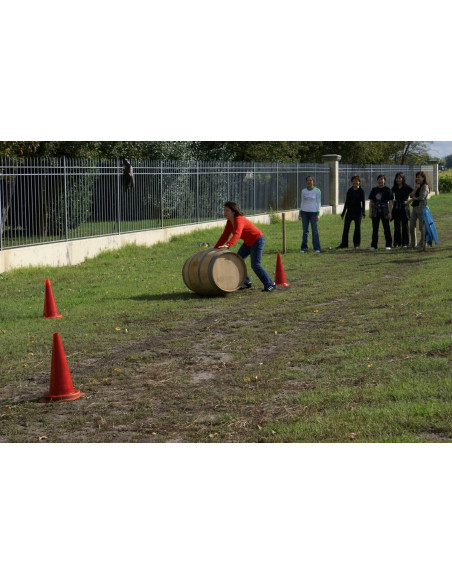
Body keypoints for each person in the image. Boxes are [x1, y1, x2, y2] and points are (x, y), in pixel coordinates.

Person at [214, 201, 276, 292]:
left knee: (255, 265)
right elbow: (224, 236)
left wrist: (228, 244)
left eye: (227, 210)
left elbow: (237, 234)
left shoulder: (239, 219)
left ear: (233, 212)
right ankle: (246, 282)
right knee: (238, 260)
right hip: (248, 242)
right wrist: (215, 248)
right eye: (224, 210)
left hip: (257, 240)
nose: (225, 213)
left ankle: (270, 284)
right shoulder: (229, 222)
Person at [337, 175, 365, 249]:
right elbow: (346, 202)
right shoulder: (349, 190)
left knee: (357, 228)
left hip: (358, 212)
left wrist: (363, 212)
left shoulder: (361, 191)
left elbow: (363, 202)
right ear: (352, 182)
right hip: (349, 212)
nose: (355, 182)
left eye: (357, 180)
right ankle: (344, 244)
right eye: (354, 180)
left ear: (359, 182)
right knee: (346, 228)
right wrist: (343, 213)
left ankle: (356, 244)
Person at [368, 175, 394, 250]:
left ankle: (388, 244)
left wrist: (390, 212)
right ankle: (373, 245)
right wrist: (370, 212)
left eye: (382, 179)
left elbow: (390, 202)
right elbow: (371, 201)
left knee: (386, 228)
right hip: (375, 210)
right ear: (377, 181)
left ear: (384, 181)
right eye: (379, 179)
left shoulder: (388, 190)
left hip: (384, 210)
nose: (380, 181)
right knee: (375, 229)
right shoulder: (374, 189)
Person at [299, 176, 322, 253]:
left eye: (311, 180)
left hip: (313, 213)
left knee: (314, 231)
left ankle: (317, 248)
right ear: (306, 182)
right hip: (304, 213)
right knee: (305, 231)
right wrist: (300, 213)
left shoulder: (317, 191)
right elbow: (302, 202)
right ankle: (304, 247)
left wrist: (318, 214)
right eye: (308, 180)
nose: (309, 182)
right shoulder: (303, 191)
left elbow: (319, 203)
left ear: (313, 182)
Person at [409, 171, 430, 248]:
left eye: (419, 177)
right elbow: (411, 195)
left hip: (421, 208)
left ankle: (422, 243)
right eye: (416, 176)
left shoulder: (425, 186)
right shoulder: (417, 186)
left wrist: (415, 198)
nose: (417, 178)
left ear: (423, 178)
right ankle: (413, 243)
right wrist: (416, 188)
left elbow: (422, 197)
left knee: (421, 227)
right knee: (411, 226)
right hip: (414, 208)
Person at [391, 172, 412, 248]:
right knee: (396, 226)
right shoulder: (394, 188)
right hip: (396, 208)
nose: (398, 180)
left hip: (404, 209)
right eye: (397, 178)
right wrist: (392, 200)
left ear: (403, 179)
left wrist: (408, 201)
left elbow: (414, 195)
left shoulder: (407, 187)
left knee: (405, 226)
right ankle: (397, 243)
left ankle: (405, 243)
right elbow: (390, 197)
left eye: (400, 178)